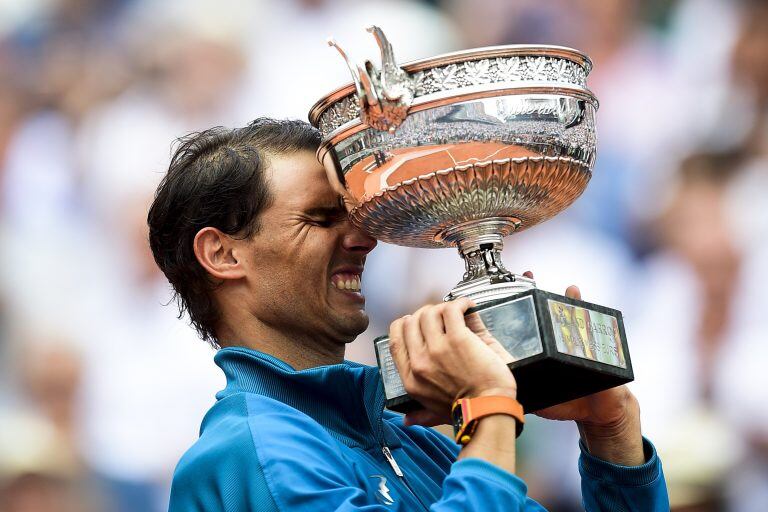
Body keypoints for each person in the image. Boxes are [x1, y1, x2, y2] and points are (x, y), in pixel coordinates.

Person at [147, 118, 669, 511]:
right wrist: (486, 413)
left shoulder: (412, 440)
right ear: (223, 254)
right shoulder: (250, 452)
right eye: (321, 219)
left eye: (354, 217)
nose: (363, 238)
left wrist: (611, 437)